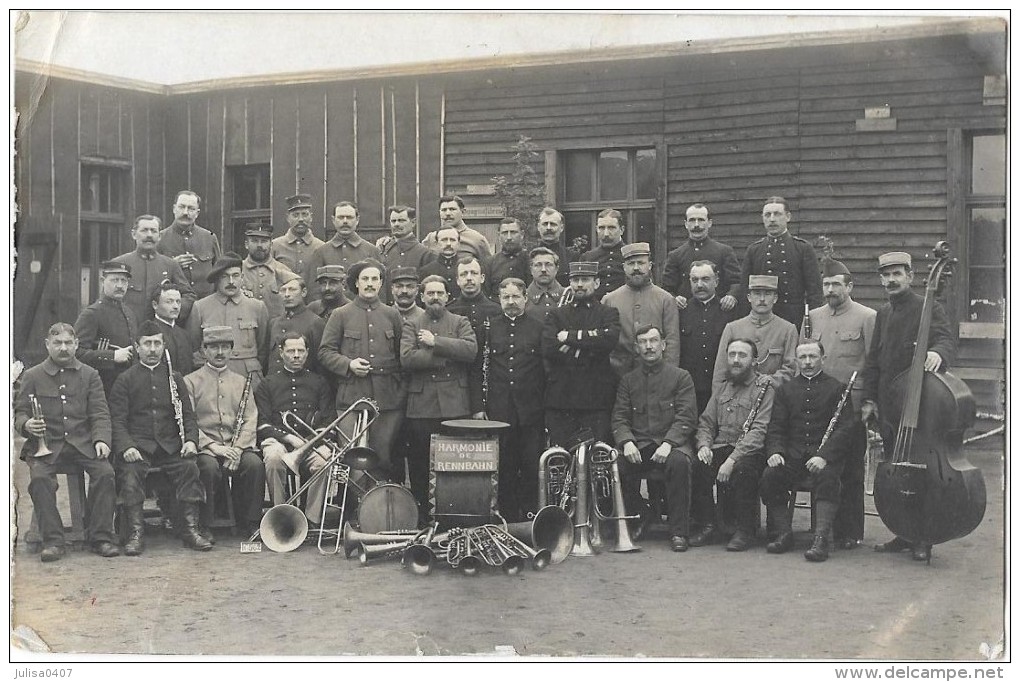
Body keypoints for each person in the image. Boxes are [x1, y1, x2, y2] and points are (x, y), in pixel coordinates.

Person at [862, 251, 956, 563]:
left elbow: (944, 338)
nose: (891, 280)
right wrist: (870, 399)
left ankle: (924, 537)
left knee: (924, 475)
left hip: (922, 408)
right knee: (899, 470)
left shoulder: (928, 306)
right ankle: (904, 533)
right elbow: (874, 361)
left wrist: (937, 353)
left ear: (910, 276)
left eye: (897, 274)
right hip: (892, 407)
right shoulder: (883, 313)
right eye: (886, 275)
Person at [14, 323, 120, 561]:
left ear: (76, 345)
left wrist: (101, 439)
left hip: (82, 443)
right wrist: (26, 425)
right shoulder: (32, 376)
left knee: (106, 474)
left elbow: (100, 413)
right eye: (57, 343)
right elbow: (19, 413)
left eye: (68, 343)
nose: (63, 348)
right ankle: (53, 541)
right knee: (40, 479)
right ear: (47, 345)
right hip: (46, 446)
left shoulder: (90, 375)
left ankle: (101, 536)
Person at [109, 321, 210, 554]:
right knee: (131, 472)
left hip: (170, 446)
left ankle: (190, 529)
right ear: (137, 347)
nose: (152, 349)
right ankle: (136, 533)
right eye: (147, 344)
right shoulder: (125, 379)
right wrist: (126, 447)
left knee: (190, 468)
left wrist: (191, 441)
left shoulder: (175, 378)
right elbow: (117, 421)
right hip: (138, 445)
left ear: (164, 346)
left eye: (157, 343)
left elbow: (188, 416)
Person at [760, 340, 854, 562]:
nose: (808, 362)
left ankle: (820, 539)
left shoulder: (837, 388)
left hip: (824, 457)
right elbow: (776, 428)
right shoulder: (785, 390)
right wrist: (775, 451)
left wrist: (824, 456)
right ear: (796, 360)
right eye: (803, 357)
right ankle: (784, 533)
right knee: (770, 475)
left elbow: (845, 430)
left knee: (829, 477)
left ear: (823, 358)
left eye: (813, 357)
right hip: (793, 455)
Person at [806, 258, 876, 550]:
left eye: (836, 284)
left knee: (851, 469)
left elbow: (874, 363)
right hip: (820, 404)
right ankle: (822, 528)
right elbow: (805, 355)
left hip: (852, 404)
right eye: (826, 284)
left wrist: (870, 401)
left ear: (849, 286)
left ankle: (850, 531)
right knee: (824, 465)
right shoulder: (814, 316)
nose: (831, 289)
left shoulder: (867, 316)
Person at [611, 325, 697, 552]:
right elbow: (619, 417)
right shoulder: (628, 381)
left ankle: (679, 531)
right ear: (636, 348)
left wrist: (669, 444)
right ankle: (641, 514)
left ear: (663, 344)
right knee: (616, 466)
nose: (649, 346)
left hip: (672, 444)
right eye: (643, 342)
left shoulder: (680, 377)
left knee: (679, 463)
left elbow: (686, 416)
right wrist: (627, 441)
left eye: (653, 341)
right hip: (639, 443)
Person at [318, 260, 405, 482]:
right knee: (352, 457)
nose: (369, 284)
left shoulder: (392, 315)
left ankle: (378, 509)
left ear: (381, 283)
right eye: (365, 279)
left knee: (382, 456)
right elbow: (325, 352)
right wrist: (348, 365)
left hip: (387, 399)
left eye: (375, 279)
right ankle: (353, 510)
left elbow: (401, 355)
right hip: (351, 397)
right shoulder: (341, 314)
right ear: (356, 283)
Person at [399, 275, 477, 510]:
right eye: (430, 293)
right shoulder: (412, 324)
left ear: (447, 296)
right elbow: (407, 358)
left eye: (439, 293)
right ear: (421, 297)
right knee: (420, 463)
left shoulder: (460, 321)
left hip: (455, 404)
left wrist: (436, 342)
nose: (435, 298)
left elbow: (471, 350)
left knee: (455, 461)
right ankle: (422, 512)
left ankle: (453, 511)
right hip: (422, 405)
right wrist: (445, 356)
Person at [184, 326, 266, 540]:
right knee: (208, 468)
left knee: (254, 465)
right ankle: (207, 523)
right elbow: (188, 420)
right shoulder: (191, 381)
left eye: (224, 347)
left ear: (231, 350)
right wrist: (213, 447)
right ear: (204, 350)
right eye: (213, 347)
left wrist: (238, 448)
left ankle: (249, 522)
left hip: (237, 444)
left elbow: (251, 418)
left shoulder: (241, 381)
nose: (219, 352)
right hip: (207, 447)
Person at [692, 338, 773, 552]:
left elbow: (759, 432)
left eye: (742, 355)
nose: (736, 360)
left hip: (750, 452)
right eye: (732, 355)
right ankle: (709, 524)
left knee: (743, 471)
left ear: (754, 361)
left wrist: (732, 460)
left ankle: (744, 530)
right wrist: (704, 446)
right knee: (697, 465)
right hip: (720, 447)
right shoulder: (722, 388)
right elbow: (706, 422)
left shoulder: (764, 389)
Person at [484, 278, 546, 520]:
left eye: (515, 297)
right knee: (505, 465)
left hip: (531, 408)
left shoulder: (538, 326)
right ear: (499, 300)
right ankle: (508, 517)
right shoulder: (490, 327)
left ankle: (530, 515)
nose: (511, 302)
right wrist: (481, 406)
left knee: (531, 464)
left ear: (525, 299)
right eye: (506, 297)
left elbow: (546, 369)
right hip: (500, 409)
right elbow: (482, 367)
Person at [255, 333, 333, 523]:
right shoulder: (267, 383)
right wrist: (289, 438)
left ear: (307, 353)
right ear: (281, 353)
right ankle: (280, 516)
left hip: (312, 442)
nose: (296, 355)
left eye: (300, 350)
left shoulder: (320, 382)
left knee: (324, 461)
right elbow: (263, 424)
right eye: (291, 351)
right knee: (273, 458)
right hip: (279, 442)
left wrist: (317, 441)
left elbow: (328, 420)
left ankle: (311, 519)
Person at [542, 262, 621, 446]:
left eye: (585, 280)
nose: (579, 284)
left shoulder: (608, 313)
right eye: (575, 280)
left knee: (598, 455)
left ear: (596, 283)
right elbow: (549, 348)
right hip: (562, 398)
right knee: (560, 455)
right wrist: (589, 347)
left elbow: (609, 340)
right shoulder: (556, 314)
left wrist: (570, 337)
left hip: (597, 398)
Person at [739, 196, 823, 328]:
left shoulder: (802, 248)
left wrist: (812, 323)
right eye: (767, 215)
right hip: (762, 319)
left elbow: (815, 292)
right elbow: (745, 290)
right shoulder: (754, 250)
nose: (772, 219)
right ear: (762, 218)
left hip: (793, 318)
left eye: (777, 214)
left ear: (788, 217)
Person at [186, 252, 270, 380]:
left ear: (242, 277)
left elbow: (263, 349)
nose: (231, 281)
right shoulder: (200, 307)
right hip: (211, 376)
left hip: (248, 375)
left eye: (235, 276)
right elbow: (193, 347)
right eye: (225, 276)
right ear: (216, 279)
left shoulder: (257, 307)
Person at [602, 242, 680, 378]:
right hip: (618, 374)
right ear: (624, 268)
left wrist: (668, 375)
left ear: (649, 265)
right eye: (631, 264)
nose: (636, 268)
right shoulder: (609, 300)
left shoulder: (665, 299)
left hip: (656, 373)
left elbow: (672, 341)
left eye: (641, 263)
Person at [712, 275, 798, 389]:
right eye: (757, 293)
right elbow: (721, 371)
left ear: (775, 298)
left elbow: (791, 368)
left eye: (767, 294)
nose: (762, 299)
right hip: (736, 397)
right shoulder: (732, 328)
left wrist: (772, 379)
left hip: (773, 396)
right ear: (749, 297)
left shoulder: (788, 329)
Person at [112, 214, 196, 323]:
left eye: (153, 231)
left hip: (160, 333)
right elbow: (107, 299)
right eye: (144, 230)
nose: (149, 235)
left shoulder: (170, 265)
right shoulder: (119, 264)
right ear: (134, 234)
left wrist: (170, 312)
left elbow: (188, 295)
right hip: (127, 331)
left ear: (160, 236)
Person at [447, 256, 501, 418]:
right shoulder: (449, 310)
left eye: (473, 273)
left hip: (489, 383)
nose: (469, 278)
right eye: (464, 274)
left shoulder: (496, 310)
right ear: (457, 280)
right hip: (457, 382)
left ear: (482, 278)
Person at [74, 261, 138, 396]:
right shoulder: (92, 313)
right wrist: (112, 356)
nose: (120, 285)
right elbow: (76, 352)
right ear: (103, 281)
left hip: (128, 387)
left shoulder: (129, 313)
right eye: (115, 280)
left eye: (124, 281)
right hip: (102, 388)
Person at [661, 203, 740, 312]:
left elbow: (737, 282)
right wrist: (675, 298)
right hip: (687, 316)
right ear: (686, 224)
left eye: (701, 220)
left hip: (718, 314)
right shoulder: (675, 256)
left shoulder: (724, 252)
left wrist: (731, 296)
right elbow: (667, 289)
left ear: (709, 223)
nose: (696, 225)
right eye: (692, 220)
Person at [679, 261, 736, 413]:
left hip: (721, 388)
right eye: (694, 280)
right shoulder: (681, 311)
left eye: (705, 279)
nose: (699, 285)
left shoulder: (728, 311)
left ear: (716, 281)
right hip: (689, 389)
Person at [307, 201, 382, 301]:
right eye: (341, 217)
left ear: (357, 220)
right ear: (333, 220)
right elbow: (314, 291)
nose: (345, 221)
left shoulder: (371, 251)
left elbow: (380, 289)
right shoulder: (321, 252)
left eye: (349, 217)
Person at [157, 190, 222, 300]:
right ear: (174, 209)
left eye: (191, 209)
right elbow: (153, 277)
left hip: (205, 306)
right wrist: (172, 265)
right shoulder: (160, 238)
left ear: (197, 213)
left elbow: (220, 273)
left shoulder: (209, 238)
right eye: (181, 207)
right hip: (174, 308)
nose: (186, 212)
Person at [266, 273, 325, 376]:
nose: (287, 294)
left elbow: (320, 363)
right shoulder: (274, 323)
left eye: (292, 289)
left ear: (304, 292)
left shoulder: (315, 322)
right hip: (275, 386)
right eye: (283, 290)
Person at [241, 224, 297, 319]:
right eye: (254, 241)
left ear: (271, 244)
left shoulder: (284, 270)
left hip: (275, 330)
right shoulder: (237, 271)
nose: (259, 245)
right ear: (246, 244)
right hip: (246, 327)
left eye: (264, 241)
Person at [378, 205, 431, 304]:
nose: (396, 224)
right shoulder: (383, 249)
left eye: (401, 220)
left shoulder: (425, 254)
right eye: (393, 221)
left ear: (413, 222)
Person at [421, 195, 493, 260]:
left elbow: (487, 267)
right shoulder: (431, 238)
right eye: (444, 210)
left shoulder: (477, 239)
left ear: (463, 211)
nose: (448, 213)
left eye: (452, 209)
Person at [271, 193, 325, 279]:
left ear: (311, 217)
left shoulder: (321, 247)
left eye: (304, 214)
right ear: (288, 218)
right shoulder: (275, 246)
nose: (300, 219)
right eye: (295, 215)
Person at [580, 208, 627, 299]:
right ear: (596, 229)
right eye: (601, 228)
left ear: (621, 230)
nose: (605, 233)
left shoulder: (630, 256)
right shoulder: (587, 257)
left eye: (611, 228)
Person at [483, 217, 531, 298]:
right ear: (499, 236)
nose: (509, 237)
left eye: (513, 232)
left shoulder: (531, 261)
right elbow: (486, 294)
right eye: (505, 233)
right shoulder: (489, 263)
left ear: (522, 235)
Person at [534, 207, 577, 287]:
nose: (549, 228)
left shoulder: (572, 257)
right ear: (538, 227)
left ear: (561, 228)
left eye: (553, 224)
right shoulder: (528, 257)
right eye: (545, 224)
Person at [419, 227, 463, 299]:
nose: (448, 244)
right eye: (444, 240)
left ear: (458, 244)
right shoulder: (426, 271)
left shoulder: (466, 268)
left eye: (452, 240)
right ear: (436, 244)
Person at [524, 246, 565, 319]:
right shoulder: (523, 298)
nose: (543, 269)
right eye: (538, 265)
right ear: (531, 269)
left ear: (556, 269)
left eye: (548, 264)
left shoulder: (568, 295)